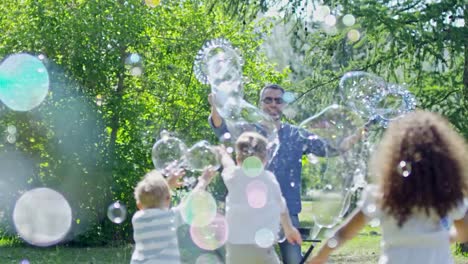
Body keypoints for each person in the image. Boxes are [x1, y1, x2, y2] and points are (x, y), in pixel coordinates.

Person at [209, 84, 363, 263]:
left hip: (287, 211)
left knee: (293, 261)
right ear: (260, 103)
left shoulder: (295, 134)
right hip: (252, 213)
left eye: (278, 100)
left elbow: (330, 148)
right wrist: (215, 104)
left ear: (283, 105)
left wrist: (358, 134)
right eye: (268, 100)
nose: (273, 104)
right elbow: (220, 128)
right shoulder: (249, 132)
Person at [306, 110, 468, 264]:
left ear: (394, 155)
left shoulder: (381, 196)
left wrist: (320, 256)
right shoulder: (449, 196)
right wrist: (443, 238)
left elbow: (344, 233)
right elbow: (464, 232)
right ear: (444, 159)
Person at [216, 131, 303, 264]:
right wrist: (289, 229)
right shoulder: (269, 178)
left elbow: (228, 164)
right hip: (262, 248)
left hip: (235, 248)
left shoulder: (233, 176)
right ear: (265, 159)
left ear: (238, 159)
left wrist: (223, 154)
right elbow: (282, 206)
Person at [130, 167, 216, 264]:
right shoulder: (170, 217)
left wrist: (167, 186)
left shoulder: (137, 219)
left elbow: (155, 196)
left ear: (139, 205)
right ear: (168, 199)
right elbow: (190, 202)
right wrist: (203, 181)